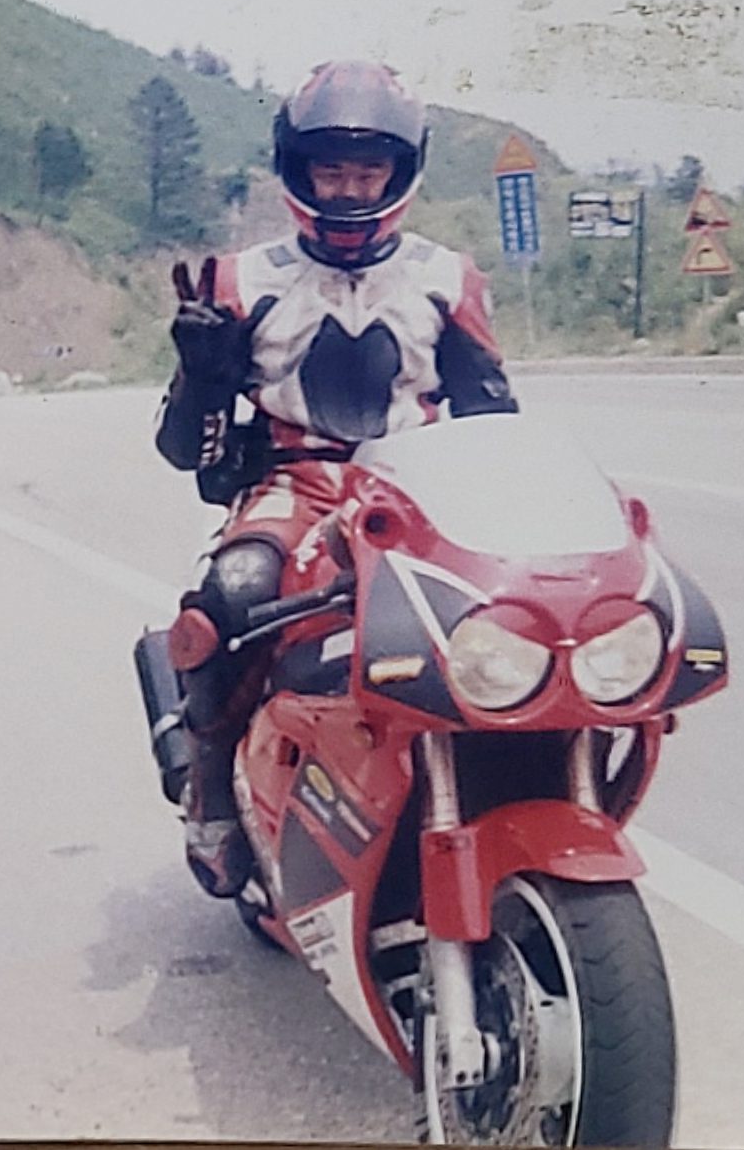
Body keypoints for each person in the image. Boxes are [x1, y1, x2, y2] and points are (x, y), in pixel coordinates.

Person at [151, 59, 517, 898]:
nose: (349, 188)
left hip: (421, 486)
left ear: (401, 171)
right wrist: (202, 375)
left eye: (368, 169)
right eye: (331, 168)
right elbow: (185, 451)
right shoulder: (239, 280)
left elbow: (494, 417)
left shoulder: (447, 278)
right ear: (296, 168)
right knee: (225, 600)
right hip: (296, 485)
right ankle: (210, 789)